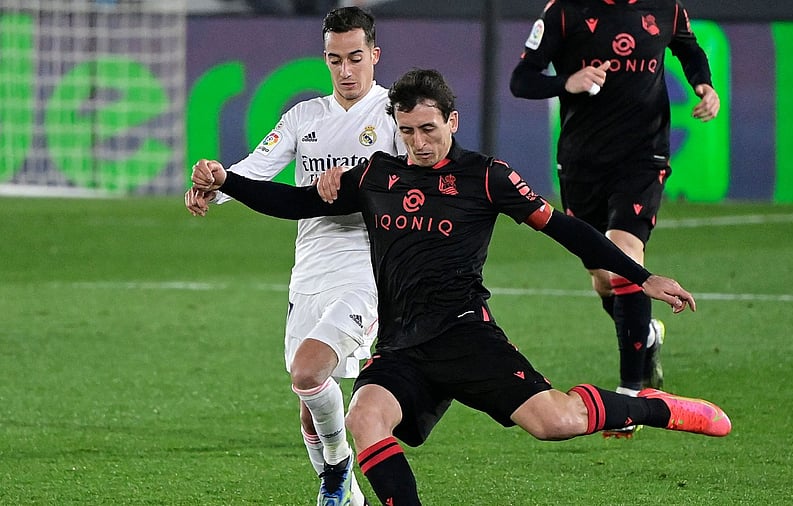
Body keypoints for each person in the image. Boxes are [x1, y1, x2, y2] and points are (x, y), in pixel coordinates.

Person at [190, 68, 731, 505]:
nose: (418, 142)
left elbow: (565, 229)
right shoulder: (377, 176)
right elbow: (296, 202)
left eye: (429, 129)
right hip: (402, 345)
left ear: (452, 120)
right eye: (407, 131)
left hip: (465, 336)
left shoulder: (487, 177)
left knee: (555, 422)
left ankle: (653, 407)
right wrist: (228, 182)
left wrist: (642, 276)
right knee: (364, 418)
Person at [185, 7, 402, 506]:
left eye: (355, 58)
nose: (345, 70)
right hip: (310, 270)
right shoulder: (304, 117)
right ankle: (345, 494)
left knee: (308, 372)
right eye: (334, 59)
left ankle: (337, 470)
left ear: (374, 54)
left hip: (367, 268)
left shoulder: (394, 114)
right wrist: (216, 182)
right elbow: (255, 169)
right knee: (309, 400)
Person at [509, 0, 721, 436]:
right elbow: (521, 80)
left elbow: (688, 48)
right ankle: (648, 335)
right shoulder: (564, 12)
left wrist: (704, 85)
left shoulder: (666, 8)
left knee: (625, 253)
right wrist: (567, 82)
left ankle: (631, 394)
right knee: (604, 278)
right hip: (582, 161)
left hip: (643, 155)